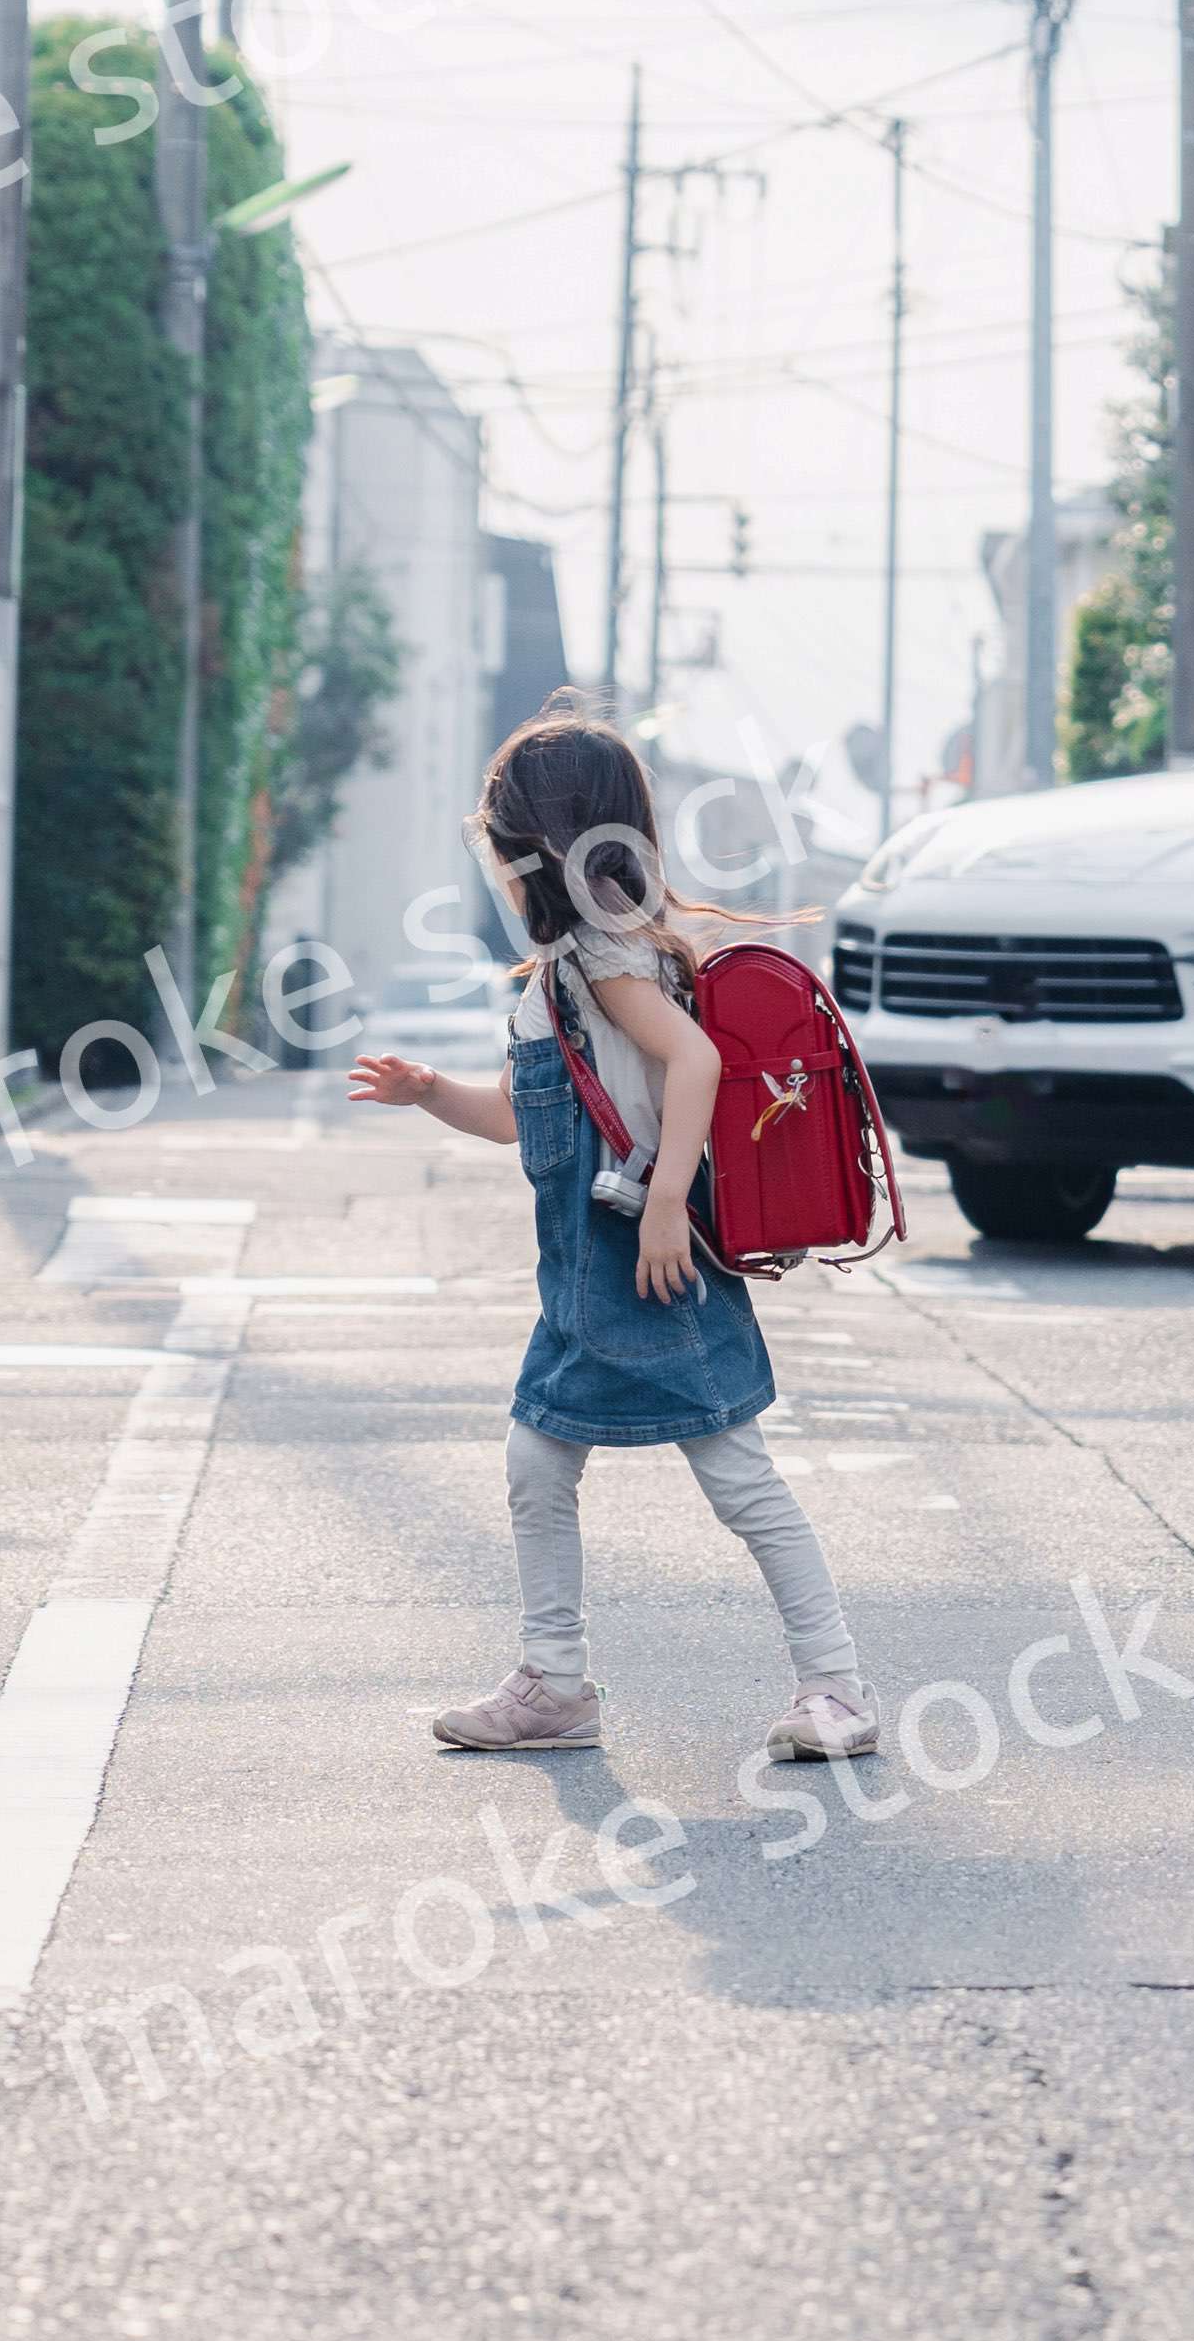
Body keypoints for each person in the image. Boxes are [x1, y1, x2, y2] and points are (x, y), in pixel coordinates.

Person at [346, 697, 879, 1763]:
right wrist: (430, 1091)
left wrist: (669, 1202)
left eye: (501, 839)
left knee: (737, 1477)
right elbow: (517, 1117)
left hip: (648, 1259)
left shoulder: (607, 959)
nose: (494, 862)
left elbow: (697, 1061)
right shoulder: (560, 976)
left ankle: (837, 1688)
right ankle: (553, 1685)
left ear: (543, 846)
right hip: (586, 1277)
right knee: (538, 1462)